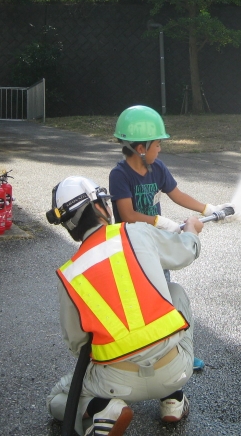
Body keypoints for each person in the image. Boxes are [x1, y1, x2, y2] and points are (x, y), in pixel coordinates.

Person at [46, 176, 202, 436]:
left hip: (115, 383)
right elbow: (186, 251)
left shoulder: (70, 275)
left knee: (56, 399)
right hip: (175, 369)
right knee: (175, 292)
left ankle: (101, 409)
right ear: (99, 208)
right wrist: (192, 231)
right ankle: (173, 399)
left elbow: (78, 345)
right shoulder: (136, 231)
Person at [109, 104, 231, 371]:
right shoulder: (119, 175)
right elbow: (127, 213)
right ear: (141, 148)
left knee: (165, 298)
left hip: (156, 247)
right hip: (131, 251)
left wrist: (207, 209)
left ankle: (177, 353)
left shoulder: (158, 169)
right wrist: (158, 221)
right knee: (140, 303)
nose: (160, 148)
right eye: (157, 144)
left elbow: (177, 194)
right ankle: (141, 355)